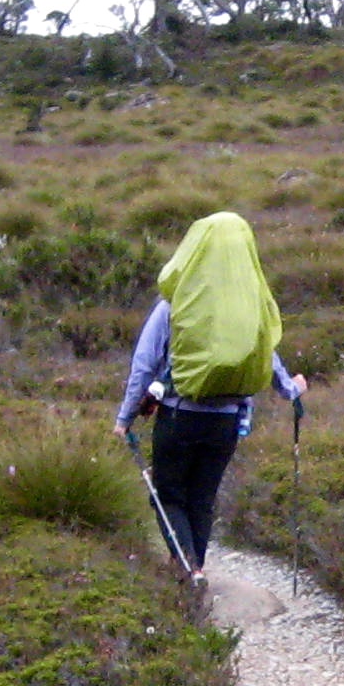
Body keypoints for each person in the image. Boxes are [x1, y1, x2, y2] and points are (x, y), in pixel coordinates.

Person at [112, 211, 305, 584]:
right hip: (227, 420)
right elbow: (271, 359)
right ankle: (195, 567)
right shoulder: (253, 307)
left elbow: (143, 366)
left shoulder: (175, 302)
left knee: (169, 496)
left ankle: (188, 569)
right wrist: (293, 390)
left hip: (179, 416)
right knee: (202, 498)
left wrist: (124, 420)